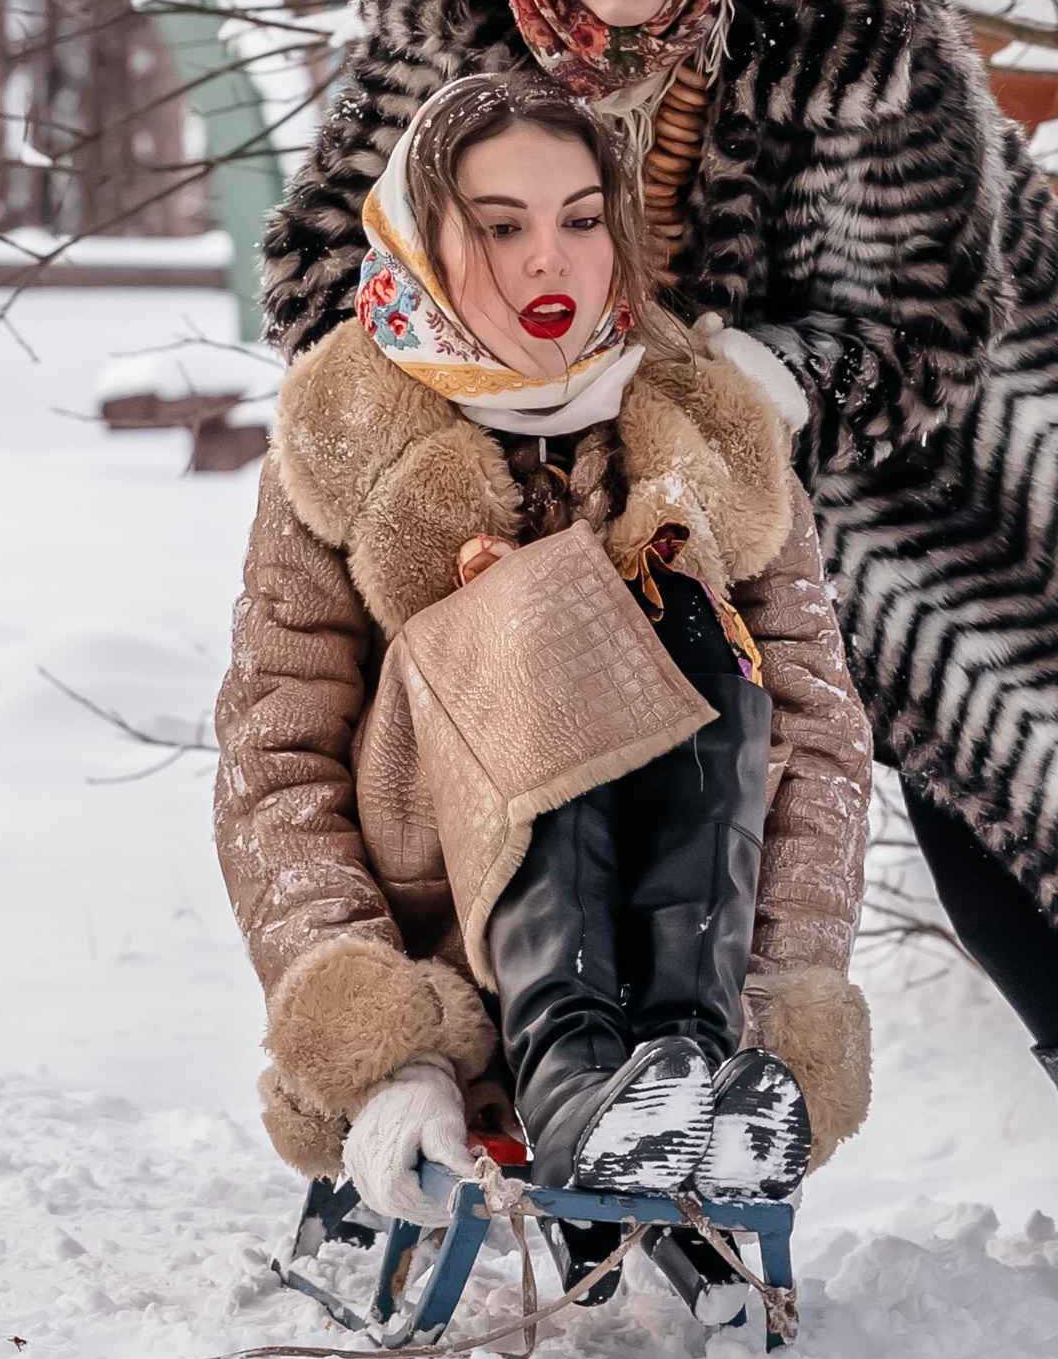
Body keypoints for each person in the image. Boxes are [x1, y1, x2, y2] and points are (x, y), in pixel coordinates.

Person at [261, 0, 1058, 1275]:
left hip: (911, 456)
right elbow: (328, 271)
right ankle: (483, 1157)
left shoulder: (842, 5)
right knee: (478, 731)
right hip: (552, 427)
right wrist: (470, 396)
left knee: (1016, 811)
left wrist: (718, 395)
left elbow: (925, 315)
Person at [214, 65, 874, 1229]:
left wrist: (782, 1000)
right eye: (500, 226)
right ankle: (571, 1076)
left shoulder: (705, 421)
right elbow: (275, 764)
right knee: (539, 602)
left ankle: (686, 1062)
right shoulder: (344, 430)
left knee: (693, 613)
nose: (549, 262)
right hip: (448, 934)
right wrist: (385, 1041)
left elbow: (819, 739)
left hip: (693, 937)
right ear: (424, 236)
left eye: (580, 220)